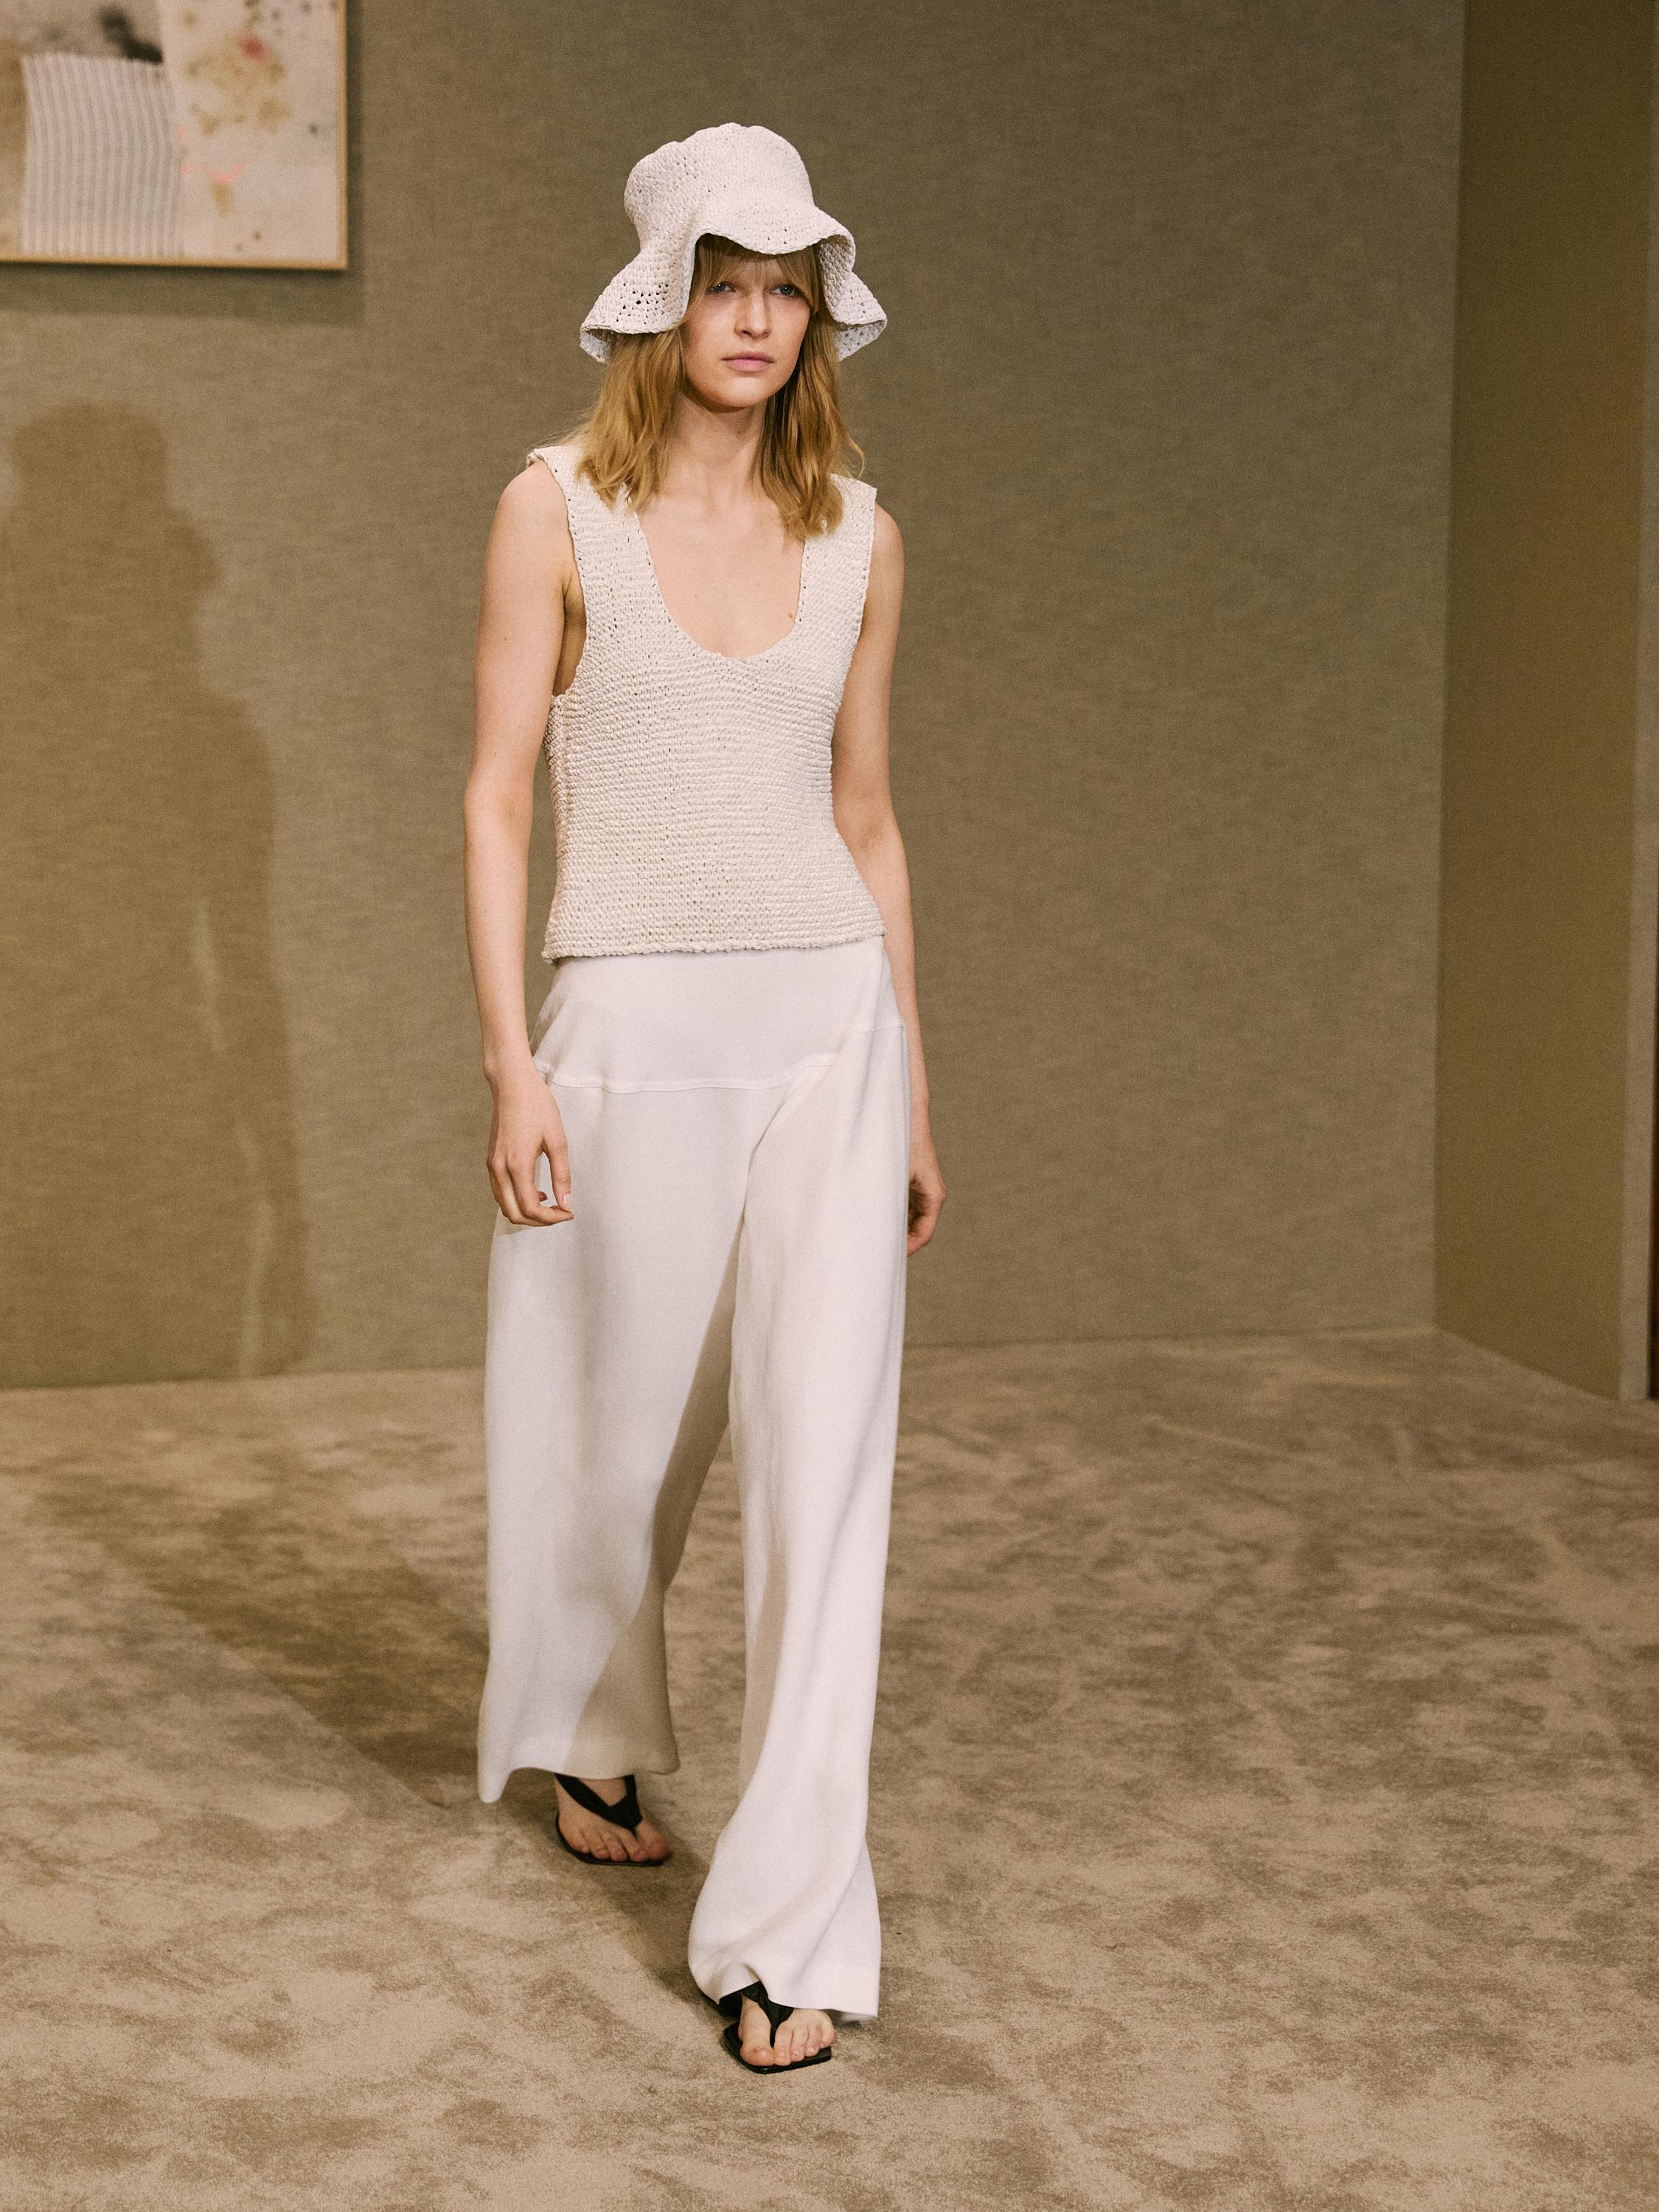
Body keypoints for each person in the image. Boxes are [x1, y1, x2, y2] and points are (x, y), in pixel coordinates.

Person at [462, 122, 945, 2076]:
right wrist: (511, 1065)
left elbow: (867, 818)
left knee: (828, 1472)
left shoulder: (862, 536)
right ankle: (592, 1724)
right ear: (658, 300)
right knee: (619, 1442)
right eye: (722, 283)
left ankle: (789, 1927)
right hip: (628, 1025)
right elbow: (496, 797)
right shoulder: (552, 510)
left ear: (816, 315)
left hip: (830, 1023)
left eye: (785, 290)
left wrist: (917, 1091)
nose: (755, 320)